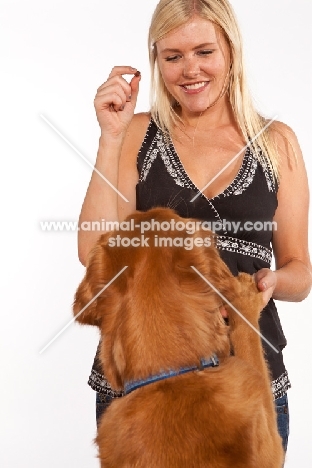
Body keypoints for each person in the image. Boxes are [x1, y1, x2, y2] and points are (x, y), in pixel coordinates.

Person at [78, 0, 311, 453]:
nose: (190, 70)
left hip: (247, 377)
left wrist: (272, 282)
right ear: (156, 60)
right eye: (173, 56)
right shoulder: (137, 134)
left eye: (204, 51)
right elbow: (93, 253)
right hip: (144, 383)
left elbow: (301, 272)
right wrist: (109, 138)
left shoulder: (276, 143)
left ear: (230, 51)